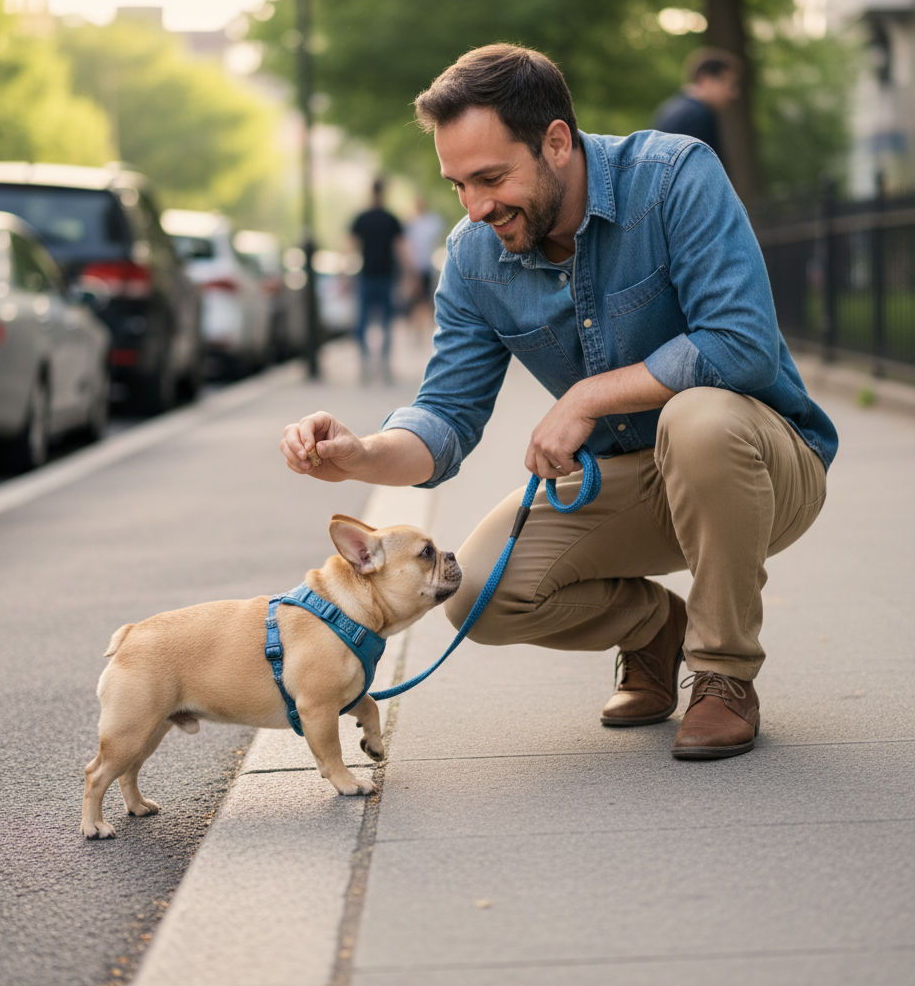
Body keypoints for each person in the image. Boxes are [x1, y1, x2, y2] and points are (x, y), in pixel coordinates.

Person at [282, 44, 836, 761]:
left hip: (759, 465)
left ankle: (723, 675)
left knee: (697, 416)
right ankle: (651, 630)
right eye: (458, 185)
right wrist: (361, 455)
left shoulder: (673, 178)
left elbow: (741, 342)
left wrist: (590, 395)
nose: (476, 207)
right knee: (475, 589)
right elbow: (446, 416)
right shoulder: (475, 257)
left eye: (490, 178)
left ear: (555, 142)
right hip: (629, 483)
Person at [350, 179, 405, 382]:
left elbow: (350, 246)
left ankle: (365, 365)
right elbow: (401, 248)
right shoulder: (391, 219)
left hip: (367, 276)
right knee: (386, 323)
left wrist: (344, 274)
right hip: (386, 277)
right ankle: (384, 366)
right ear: (384, 193)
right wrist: (409, 274)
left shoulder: (362, 218)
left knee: (363, 323)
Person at [653, 48, 742, 167]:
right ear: (706, 79)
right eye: (729, 84)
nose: (734, 93)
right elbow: (706, 174)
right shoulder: (698, 117)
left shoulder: (670, 108)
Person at [403, 197, 445, 343]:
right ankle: (417, 331)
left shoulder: (430, 222)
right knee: (415, 301)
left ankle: (424, 331)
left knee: (427, 301)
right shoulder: (410, 223)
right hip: (414, 267)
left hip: (426, 266)